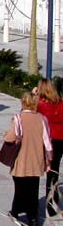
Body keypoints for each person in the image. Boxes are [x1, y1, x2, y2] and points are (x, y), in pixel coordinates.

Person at [5, 92, 52, 226]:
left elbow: (10, 138)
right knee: (33, 189)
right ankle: (32, 218)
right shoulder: (42, 119)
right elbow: (47, 142)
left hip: (21, 158)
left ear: (23, 103)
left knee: (19, 187)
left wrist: (5, 135)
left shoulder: (18, 118)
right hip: (36, 159)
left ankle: (16, 211)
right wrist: (49, 159)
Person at [35, 79, 63, 216]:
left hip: (45, 139)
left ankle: (33, 203)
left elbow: (25, 111)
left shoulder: (40, 103)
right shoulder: (60, 103)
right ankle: (52, 202)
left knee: (35, 170)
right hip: (59, 139)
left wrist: (32, 94)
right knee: (53, 171)